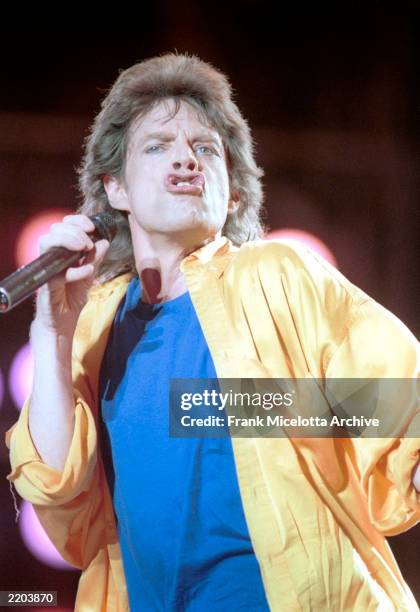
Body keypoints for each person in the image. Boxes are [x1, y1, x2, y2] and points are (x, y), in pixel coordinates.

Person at [5, 52, 420, 612]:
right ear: (116, 190)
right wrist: (53, 329)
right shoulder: (94, 323)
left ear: (233, 194)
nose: (186, 161)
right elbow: (56, 484)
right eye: (157, 147)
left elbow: (397, 413)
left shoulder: (280, 276)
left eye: (205, 149)